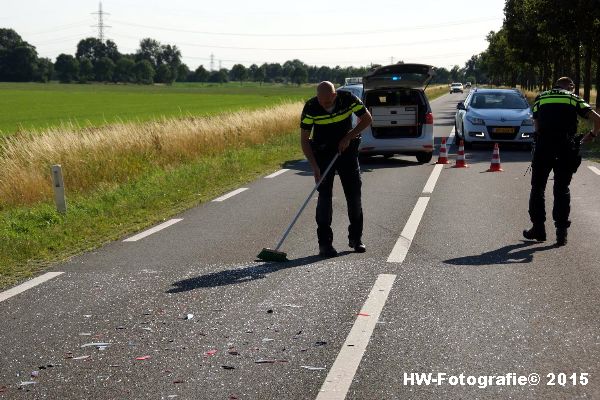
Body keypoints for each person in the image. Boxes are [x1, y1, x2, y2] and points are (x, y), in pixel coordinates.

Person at [523, 77, 600, 246]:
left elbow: (536, 124)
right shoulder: (573, 98)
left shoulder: (541, 97)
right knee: (561, 188)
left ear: (555, 85)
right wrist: (592, 134)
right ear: (571, 87)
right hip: (566, 148)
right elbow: (597, 118)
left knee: (538, 188)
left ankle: (538, 229)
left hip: (544, 148)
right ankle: (561, 233)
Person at [300, 81, 373, 257]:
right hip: (323, 154)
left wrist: (349, 137)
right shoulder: (311, 107)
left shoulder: (348, 99)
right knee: (324, 199)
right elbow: (304, 140)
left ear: (334, 95)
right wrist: (314, 166)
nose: (323, 104)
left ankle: (356, 239)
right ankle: (325, 245)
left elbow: (367, 119)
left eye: (326, 101)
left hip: (346, 152)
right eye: (320, 100)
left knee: (354, 197)